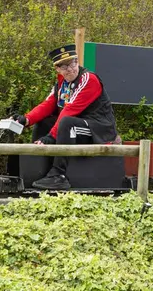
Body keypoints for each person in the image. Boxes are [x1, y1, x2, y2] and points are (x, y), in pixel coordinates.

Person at [10, 44, 119, 190]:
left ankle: (58, 175)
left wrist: (50, 137)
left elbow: (70, 110)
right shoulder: (62, 83)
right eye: (64, 66)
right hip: (77, 124)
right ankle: (38, 168)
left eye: (72, 63)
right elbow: (49, 104)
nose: (70, 69)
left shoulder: (88, 79)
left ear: (77, 62)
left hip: (99, 128)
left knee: (67, 123)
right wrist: (26, 119)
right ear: (57, 69)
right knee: (44, 122)